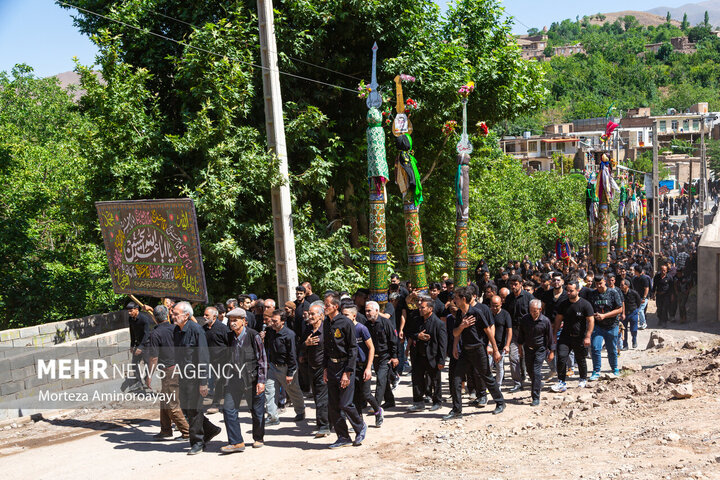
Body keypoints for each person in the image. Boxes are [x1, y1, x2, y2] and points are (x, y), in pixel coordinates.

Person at [444, 287, 505, 420]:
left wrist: (494, 349)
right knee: (456, 378)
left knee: (487, 377)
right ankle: (457, 410)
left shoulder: (476, 312)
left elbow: (488, 330)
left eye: (456, 298)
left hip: (478, 350)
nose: (454, 300)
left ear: (463, 299)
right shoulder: (460, 314)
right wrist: (456, 343)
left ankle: (500, 402)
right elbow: (455, 333)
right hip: (465, 351)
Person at [172, 301, 221, 455]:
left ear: (186, 316)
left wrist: (203, 382)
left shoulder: (196, 330)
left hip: (196, 377)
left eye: (176, 314)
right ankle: (211, 429)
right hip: (184, 376)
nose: (173, 316)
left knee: (194, 410)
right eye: (173, 313)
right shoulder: (176, 331)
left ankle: (197, 442)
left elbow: (203, 357)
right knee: (187, 409)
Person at [323, 292, 367, 448]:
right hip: (331, 366)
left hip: (345, 366)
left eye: (327, 305)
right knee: (333, 405)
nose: (324, 307)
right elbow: (326, 349)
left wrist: (347, 372)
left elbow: (353, 349)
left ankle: (360, 426)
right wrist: (325, 369)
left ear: (336, 306)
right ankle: (343, 436)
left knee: (345, 403)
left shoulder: (345, 323)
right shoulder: (326, 323)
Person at [220, 308, 267, 453]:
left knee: (257, 411)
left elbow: (262, 359)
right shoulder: (229, 337)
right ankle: (236, 442)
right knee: (228, 409)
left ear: (244, 321)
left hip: (252, 379)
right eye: (230, 320)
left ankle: (258, 437)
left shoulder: (253, 336)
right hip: (234, 379)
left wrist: (261, 380)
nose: (232, 323)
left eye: (235, 320)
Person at [146, 305, 189, 440]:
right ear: (168, 316)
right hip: (178, 367)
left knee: (171, 403)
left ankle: (187, 431)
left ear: (155, 319)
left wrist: (149, 375)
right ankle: (165, 429)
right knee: (165, 400)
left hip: (169, 371)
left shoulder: (155, 333)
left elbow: (153, 358)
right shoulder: (175, 328)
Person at [263, 310, 306, 425]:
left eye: (275, 321)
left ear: (282, 321)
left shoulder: (289, 334)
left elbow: (292, 354)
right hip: (272, 367)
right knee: (270, 391)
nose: (272, 323)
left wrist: (290, 373)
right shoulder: (270, 331)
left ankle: (301, 411)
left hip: (286, 367)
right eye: (272, 320)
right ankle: (272, 417)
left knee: (293, 390)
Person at [407, 295, 447, 413]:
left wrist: (441, 360)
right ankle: (418, 402)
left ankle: (437, 401)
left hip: (432, 356)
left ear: (430, 309)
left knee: (435, 380)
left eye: (423, 307)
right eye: (419, 307)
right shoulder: (417, 320)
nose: (420, 309)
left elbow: (442, 344)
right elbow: (409, 332)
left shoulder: (438, 323)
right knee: (417, 379)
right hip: (418, 355)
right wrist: (417, 336)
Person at [552, 281, 594, 392]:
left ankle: (582, 379)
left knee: (580, 359)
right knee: (561, 358)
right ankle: (561, 382)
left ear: (578, 290)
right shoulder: (563, 304)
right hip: (565, 336)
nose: (569, 293)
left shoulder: (585, 304)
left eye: (571, 290)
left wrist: (588, 336)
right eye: (568, 290)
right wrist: (554, 334)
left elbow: (590, 321)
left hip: (580, 336)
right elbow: (558, 320)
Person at [343, 302, 380, 420]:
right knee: (354, 396)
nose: (343, 318)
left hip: (362, 366)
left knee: (366, 394)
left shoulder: (361, 328)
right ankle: (359, 421)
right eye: (342, 315)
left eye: (346, 315)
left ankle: (378, 411)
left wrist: (368, 367)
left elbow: (371, 348)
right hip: (351, 367)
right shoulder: (343, 330)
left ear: (354, 316)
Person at [365, 300, 398, 426]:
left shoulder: (385, 322)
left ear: (377, 311)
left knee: (381, 379)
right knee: (384, 380)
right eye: (366, 311)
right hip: (374, 357)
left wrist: (394, 356)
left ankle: (376, 405)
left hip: (386, 356)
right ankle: (390, 401)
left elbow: (393, 340)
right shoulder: (366, 325)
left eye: (369, 311)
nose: (367, 313)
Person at [300, 301, 330, 437]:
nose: (310, 316)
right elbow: (300, 347)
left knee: (322, 397)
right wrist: (306, 344)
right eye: (309, 314)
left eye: (313, 314)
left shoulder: (327, 330)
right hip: (310, 368)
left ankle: (324, 426)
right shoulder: (308, 330)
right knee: (318, 398)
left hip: (324, 369)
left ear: (321, 316)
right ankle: (327, 423)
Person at [517, 299, 553, 406]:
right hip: (528, 349)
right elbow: (521, 334)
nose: (533, 313)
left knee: (536, 371)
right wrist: (519, 347)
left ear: (540, 309)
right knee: (530, 370)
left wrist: (552, 351)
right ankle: (536, 383)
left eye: (535, 311)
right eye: (531, 310)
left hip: (540, 349)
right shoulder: (525, 319)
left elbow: (550, 337)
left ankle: (536, 397)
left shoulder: (545, 321)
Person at [587, 276, 623, 380]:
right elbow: (589, 309)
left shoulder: (613, 293)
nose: (599, 286)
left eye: (600, 283)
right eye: (597, 284)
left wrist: (605, 316)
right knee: (595, 347)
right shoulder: (593, 294)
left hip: (612, 326)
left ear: (605, 282)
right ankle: (596, 370)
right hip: (597, 326)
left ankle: (614, 368)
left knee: (611, 348)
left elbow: (619, 309)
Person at [504, 275, 534, 392]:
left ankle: (533, 380)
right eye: (511, 284)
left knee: (528, 357)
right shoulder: (509, 298)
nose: (513, 286)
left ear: (521, 284)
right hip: (513, 331)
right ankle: (517, 382)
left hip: (527, 331)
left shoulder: (529, 297)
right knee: (513, 357)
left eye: (516, 284)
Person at [203, 306, 230, 414]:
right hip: (210, 361)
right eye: (204, 315)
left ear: (214, 316)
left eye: (206, 315)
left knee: (221, 382)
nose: (204, 317)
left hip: (224, 360)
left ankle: (217, 404)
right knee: (215, 382)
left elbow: (229, 344)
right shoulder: (203, 329)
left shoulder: (223, 328)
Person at [123, 301, 153, 392]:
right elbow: (132, 332)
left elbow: (147, 334)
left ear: (136, 309)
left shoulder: (144, 319)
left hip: (146, 344)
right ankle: (139, 381)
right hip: (138, 343)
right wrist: (132, 345)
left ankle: (147, 380)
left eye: (131, 311)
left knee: (148, 363)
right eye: (128, 311)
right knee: (134, 363)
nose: (129, 313)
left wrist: (141, 347)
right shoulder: (131, 319)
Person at [488, 295, 512, 388]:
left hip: (501, 345)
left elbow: (509, 330)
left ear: (501, 304)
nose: (494, 308)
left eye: (497, 306)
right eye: (492, 305)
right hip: (489, 346)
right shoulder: (488, 313)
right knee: (488, 366)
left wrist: (507, 345)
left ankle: (498, 385)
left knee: (499, 367)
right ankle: (489, 384)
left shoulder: (506, 315)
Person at [619, 279, 641, 349]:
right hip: (624, 314)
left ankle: (634, 340)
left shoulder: (634, 293)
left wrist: (636, 309)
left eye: (622, 285)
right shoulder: (620, 294)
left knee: (633, 329)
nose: (621, 286)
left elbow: (639, 302)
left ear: (627, 286)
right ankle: (625, 345)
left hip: (633, 313)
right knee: (624, 330)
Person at [631, 265, 650, 329]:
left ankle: (643, 323)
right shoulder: (635, 279)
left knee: (641, 310)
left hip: (643, 297)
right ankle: (639, 323)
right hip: (638, 297)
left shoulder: (644, 278)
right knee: (637, 310)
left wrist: (644, 297)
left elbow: (646, 288)